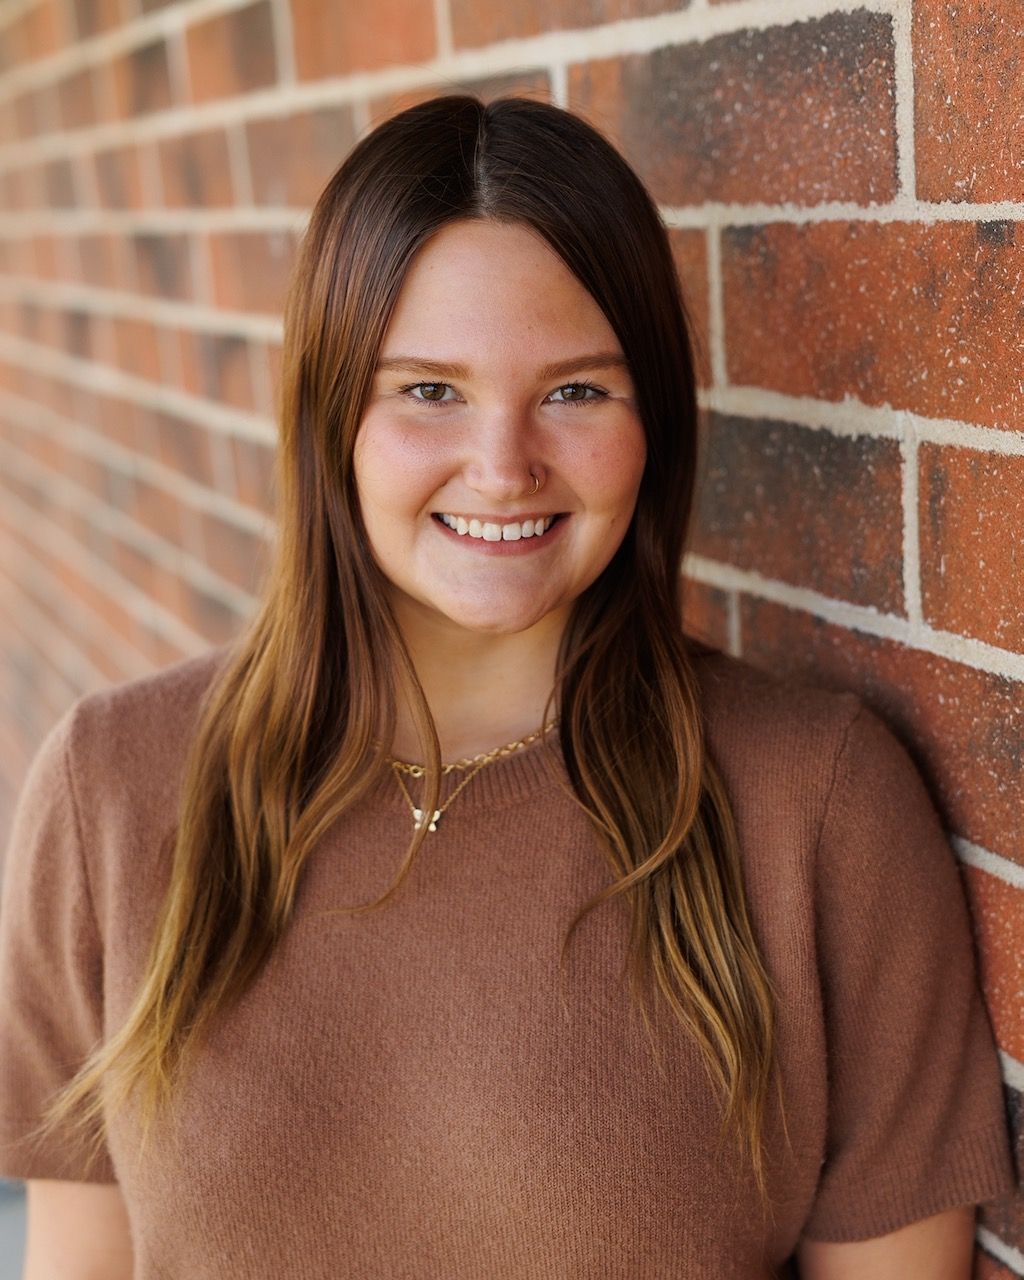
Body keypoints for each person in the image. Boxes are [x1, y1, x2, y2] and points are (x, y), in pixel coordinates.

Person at [0, 95, 1014, 1279]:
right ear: (332, 414)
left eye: (577, 390)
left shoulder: (815, 803)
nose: (502, 465)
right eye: (427, 389)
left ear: (655, 423)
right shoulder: (113, 786)